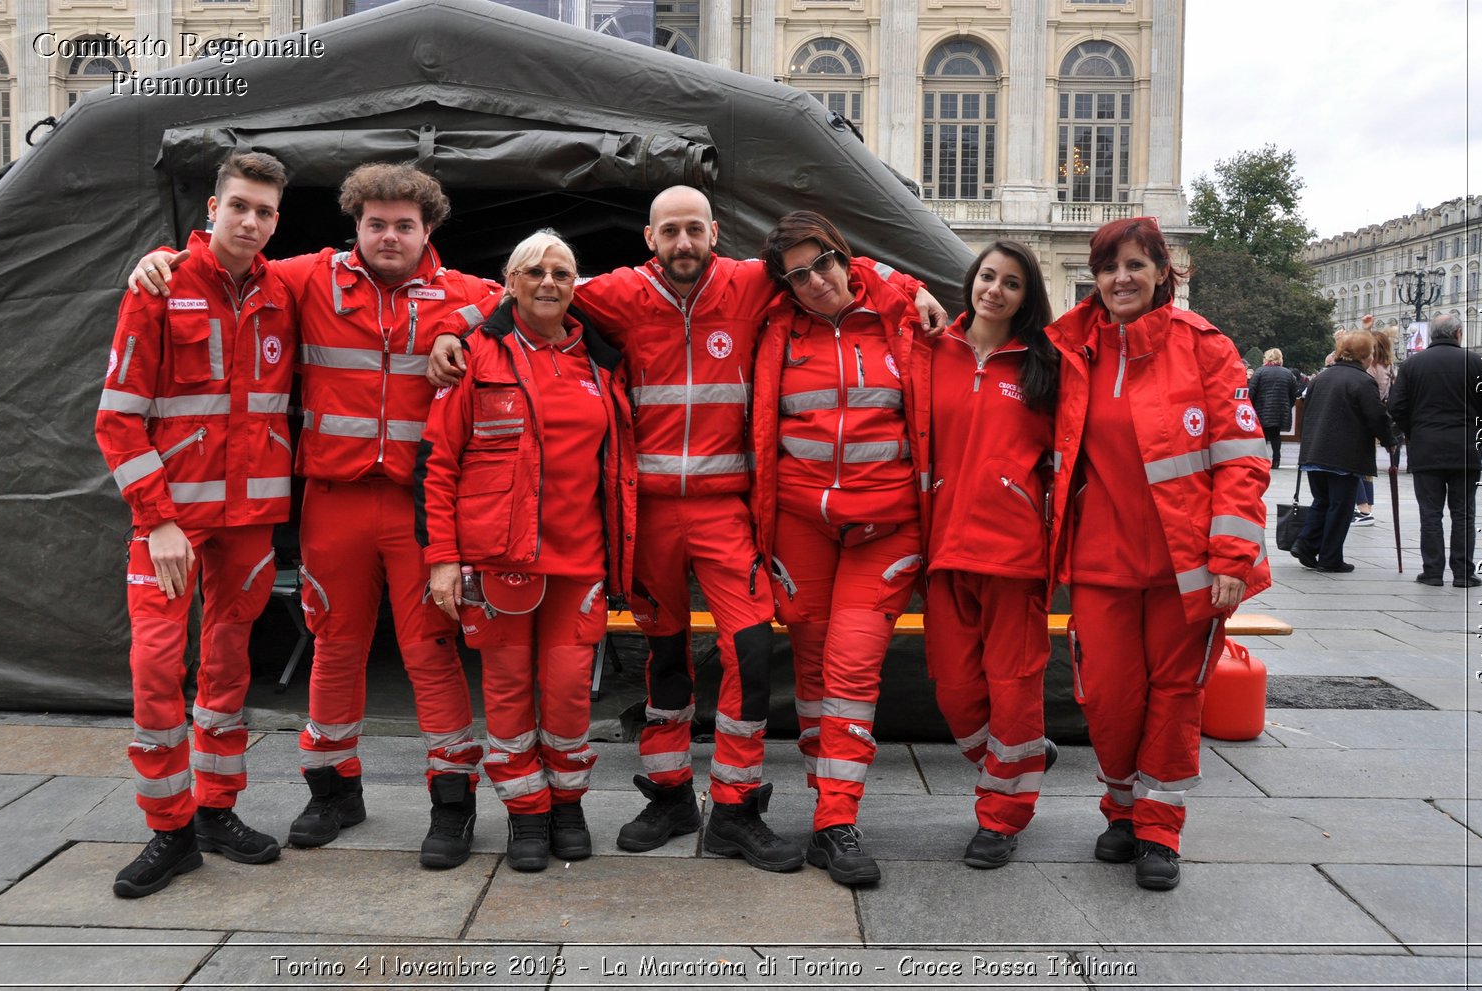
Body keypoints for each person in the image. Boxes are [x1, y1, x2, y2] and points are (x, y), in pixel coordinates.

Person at [427, 186, 944, 873]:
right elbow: (528, 291)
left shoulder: (752, 282)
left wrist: (908, 284)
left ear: (714, 231)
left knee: (752, 652)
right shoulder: (614, 292)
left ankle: (733, 808)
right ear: (649, 237)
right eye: (670, 231)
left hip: (724, 507)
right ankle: (670, 792)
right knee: (666, 655)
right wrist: (457, 331)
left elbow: (833, 264)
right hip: (649, 515)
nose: (683, 243)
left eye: (694, 230)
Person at [128, 164, 495, 869]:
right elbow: (227, 263)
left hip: (420, 508)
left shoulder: (468, 294)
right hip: (333, 500)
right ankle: (334, 789)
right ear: (354, 227)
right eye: (376, 224)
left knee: (432, 649)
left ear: (429, 231)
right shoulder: (305, 278)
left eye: (405, 225)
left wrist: (455, 331)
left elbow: (533, 297)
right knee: (336, 644)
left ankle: (453, 803)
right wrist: (163, 257)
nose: (390, 236)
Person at [1048, 216, 1271, 891]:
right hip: (1100, 562)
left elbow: (1242, 459)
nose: (1122, 277)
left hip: (1189, 567)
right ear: (1095, 275)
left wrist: (1232, 557)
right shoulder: (1069, 346)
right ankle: (1119, 808)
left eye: (1137, 265)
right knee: (1110, 698)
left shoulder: (1205, 348)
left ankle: (1158, 828)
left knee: (1174, 698)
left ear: (1160, 273)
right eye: (1110, 265)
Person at [96, 151, 294, 897]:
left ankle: (215, 810)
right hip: (171, 522)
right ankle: (169, 829)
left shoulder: (285, 289)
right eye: (238, 205)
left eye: (265, 211)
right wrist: (159, 520)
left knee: (227, 667)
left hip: (247, 520)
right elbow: (116, 422)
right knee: (155, 668)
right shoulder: (160, 286)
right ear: (210, 209)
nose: (250, 221)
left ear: (278, 219)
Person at [418, 230, 636, 871]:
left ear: (576, 286)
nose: (548, 282)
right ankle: (526, 815)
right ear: (508, 283)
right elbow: (438, 465)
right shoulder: (474, 357)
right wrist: (442, 559)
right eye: (534, 271)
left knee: (569, 694)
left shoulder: (600, 361)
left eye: (562, 272)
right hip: (497, 561)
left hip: (581, 560)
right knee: (510, 695)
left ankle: (567, 804)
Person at [749, 211, 929, 886]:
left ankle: (836, 821)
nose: (818, 281)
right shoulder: (774, 326)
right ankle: (832, 811)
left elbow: (892, 282)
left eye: (823, 261)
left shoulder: (898, 315)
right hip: (801, 526)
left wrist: (891, 279)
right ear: (784, 286)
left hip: (886, 529)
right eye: (798, 274)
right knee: (815, 674)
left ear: (843, 251)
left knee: (852, 672)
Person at [924, 241, 1060, 869]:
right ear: (970, 281)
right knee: (955, 691)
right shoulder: (930, 350)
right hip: (944, 550)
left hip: (1014, 555)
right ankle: (1020, 756)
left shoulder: (1045, 365)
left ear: (1026, 296)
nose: (995, 290)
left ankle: (1001, 816)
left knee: (1013, 689)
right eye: (987, 277)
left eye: (1011, 283)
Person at [1388, 313, 1482, 588]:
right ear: (1459, 334)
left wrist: (1414, 430)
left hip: (1426, 448)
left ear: (1432, 335)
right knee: (1464, 512)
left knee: (1430, 513)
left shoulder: (1412, 365)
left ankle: (1432, 571)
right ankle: (1463, 573)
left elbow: (1396, 407)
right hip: (1465, 447)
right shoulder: (1477, 363)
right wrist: (1479, 430)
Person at [1291, 328, 1395, 574]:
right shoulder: (1362, 381)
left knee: (1322, 500)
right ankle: (1330, 557)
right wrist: (1390, 439)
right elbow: (1376, 417)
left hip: (1315, 452)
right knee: (1341, 507)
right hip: (1344, 455)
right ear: (1364, 356)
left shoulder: (1321, 378)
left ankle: (1306, 543)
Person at [1353, 317, 1396, 525]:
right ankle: (1367, 505)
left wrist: (1365, 331)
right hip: (1376, 416)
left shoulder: (1371, 368)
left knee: (1353, 466)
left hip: (1360, 418)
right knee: (1366, 466)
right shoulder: (1388, 366)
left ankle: (1363, 509)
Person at [1248, 348, 1300, 469]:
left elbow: (1251, 392)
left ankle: (1261, 460)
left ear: (1267, 358)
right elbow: (1294, 394)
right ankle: (1276, 461)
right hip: (1280, 411)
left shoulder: (1260, 372)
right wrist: (1287, 406)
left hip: (1261, 410)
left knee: (1262, 436)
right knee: (1276, 435)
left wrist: (1252, 408)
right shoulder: (1288, 373)